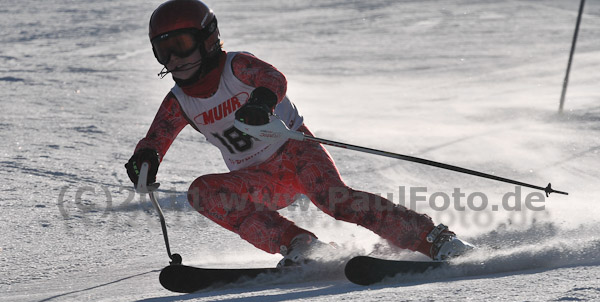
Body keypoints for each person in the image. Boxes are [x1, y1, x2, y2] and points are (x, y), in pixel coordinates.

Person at [126, 0, 473, 267]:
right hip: (258, 178)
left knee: (334, 199)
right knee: (202, 192)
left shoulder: (237, 66)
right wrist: (147, 158)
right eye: (163, 50)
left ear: (208, 39)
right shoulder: (179, 101)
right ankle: (302, 246)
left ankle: (434, 240)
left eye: (182, 45)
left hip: (294, 153)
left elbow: (273, 80)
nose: (174, 59)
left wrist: (261, 102)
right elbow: (156, 137)